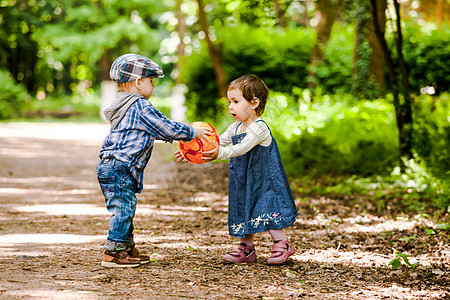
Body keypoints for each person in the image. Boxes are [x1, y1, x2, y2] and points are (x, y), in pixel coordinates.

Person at [97, 53, 212, 268]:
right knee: (123, 210)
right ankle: (113, 252)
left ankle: (126, 247)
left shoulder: (122, 104)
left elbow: (157, 131)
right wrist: (192, 132)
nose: (153, 86)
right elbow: (164, 126)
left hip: (112, 165)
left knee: (125, 208)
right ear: (139, 83)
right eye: (151, 81)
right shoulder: (140, 105)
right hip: (120, 166)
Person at [175, 74, 298, 265]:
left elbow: (241, 148)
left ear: (254, 103)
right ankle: (246, 248)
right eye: (229, 101)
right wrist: (191, 151)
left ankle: (282, 243)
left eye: (235, 101)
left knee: (268, 206)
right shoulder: (235, 127)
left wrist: (221, 153)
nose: (230, 106)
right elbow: (216, 142)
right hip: (243, 178)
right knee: (242, 207)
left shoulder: (259, 128)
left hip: (264, 180)